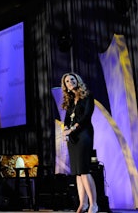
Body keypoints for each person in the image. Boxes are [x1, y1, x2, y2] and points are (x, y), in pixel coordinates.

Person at [61, 72, 98, 213]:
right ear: (66, 86)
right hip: (72, 138)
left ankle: (94, 204)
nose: (70, 82)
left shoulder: (87, 95)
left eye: (72, 79)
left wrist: (72, 129)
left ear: (77, 81)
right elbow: (66, 119)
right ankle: (83, 204)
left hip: (83, 134)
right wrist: (65, 129)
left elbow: (87, 116)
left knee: (84, 169)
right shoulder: (70, 100)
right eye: (67, 81)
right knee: (77, 172)